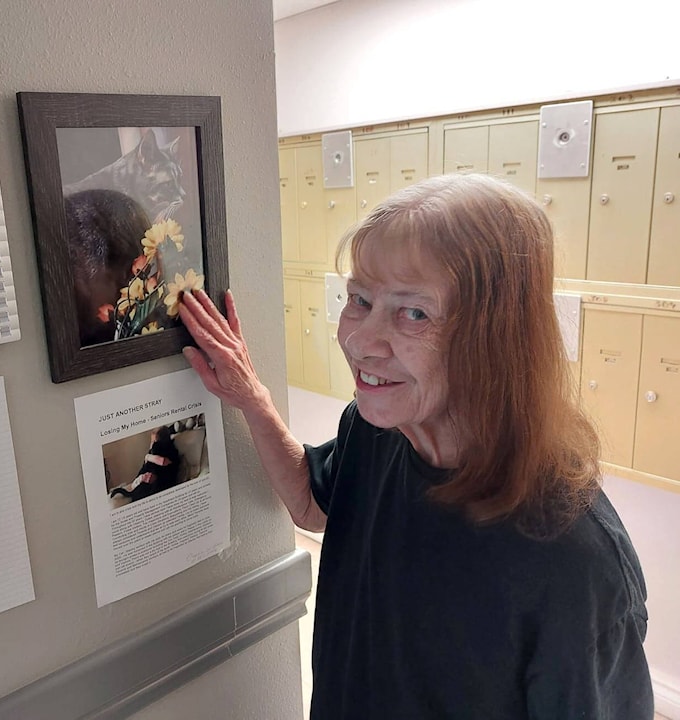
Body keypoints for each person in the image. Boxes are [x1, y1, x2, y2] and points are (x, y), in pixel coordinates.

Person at [178, 173, 653, 719]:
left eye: (414, 312)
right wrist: (251, 397)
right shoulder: (374, 431)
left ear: (496, 337)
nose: (359, 341)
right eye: (360, 299)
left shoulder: (575, 560)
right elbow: (311, 504)